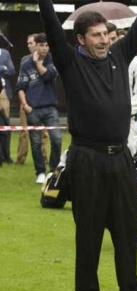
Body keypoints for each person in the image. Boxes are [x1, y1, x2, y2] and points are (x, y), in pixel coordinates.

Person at [38, 0, 137, 291]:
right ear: (80, 38)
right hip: (86, 159)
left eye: (105, 34)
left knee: (125, 228)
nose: (103, 40)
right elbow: (52, 27)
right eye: (95, 35)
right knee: (89, 230)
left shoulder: (120, 56)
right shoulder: (69, 63)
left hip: (121, 157)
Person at [16, 32, 62, 184]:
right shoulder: (25, 63)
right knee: (35, 142)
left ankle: (53, 170)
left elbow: (48, 75)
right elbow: (21, 86)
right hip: (33, 109)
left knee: (57, 139)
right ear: (36, 45)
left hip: (50, 108)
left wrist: (37, 64)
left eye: (47, 45)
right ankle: (40, 171)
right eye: (42, 45)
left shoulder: (52, 58)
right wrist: (25, 105)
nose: (45, 48)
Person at [107, 22, 137, 156]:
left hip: (127, 121)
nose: (109, 42)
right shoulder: (91, 62)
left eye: (113, 38)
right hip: (100, 123)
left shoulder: (134, 61)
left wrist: (119, 111)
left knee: (127, 163)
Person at [16, 33, 50, 166]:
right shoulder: (24, 60)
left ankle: (44, 157)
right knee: (24, 131)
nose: (29, 46)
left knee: (44, 133)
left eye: (31, 43)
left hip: (42, 102)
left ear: (37, 44)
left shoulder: (48, 60)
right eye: (28, 44)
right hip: (26, 100)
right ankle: (20, 159)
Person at [0, 46, 15, 164]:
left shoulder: (5, 53)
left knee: (5, 124)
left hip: (4, 92)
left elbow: (12, 71)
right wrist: (3, 68)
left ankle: (6, 156)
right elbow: (6, 70)